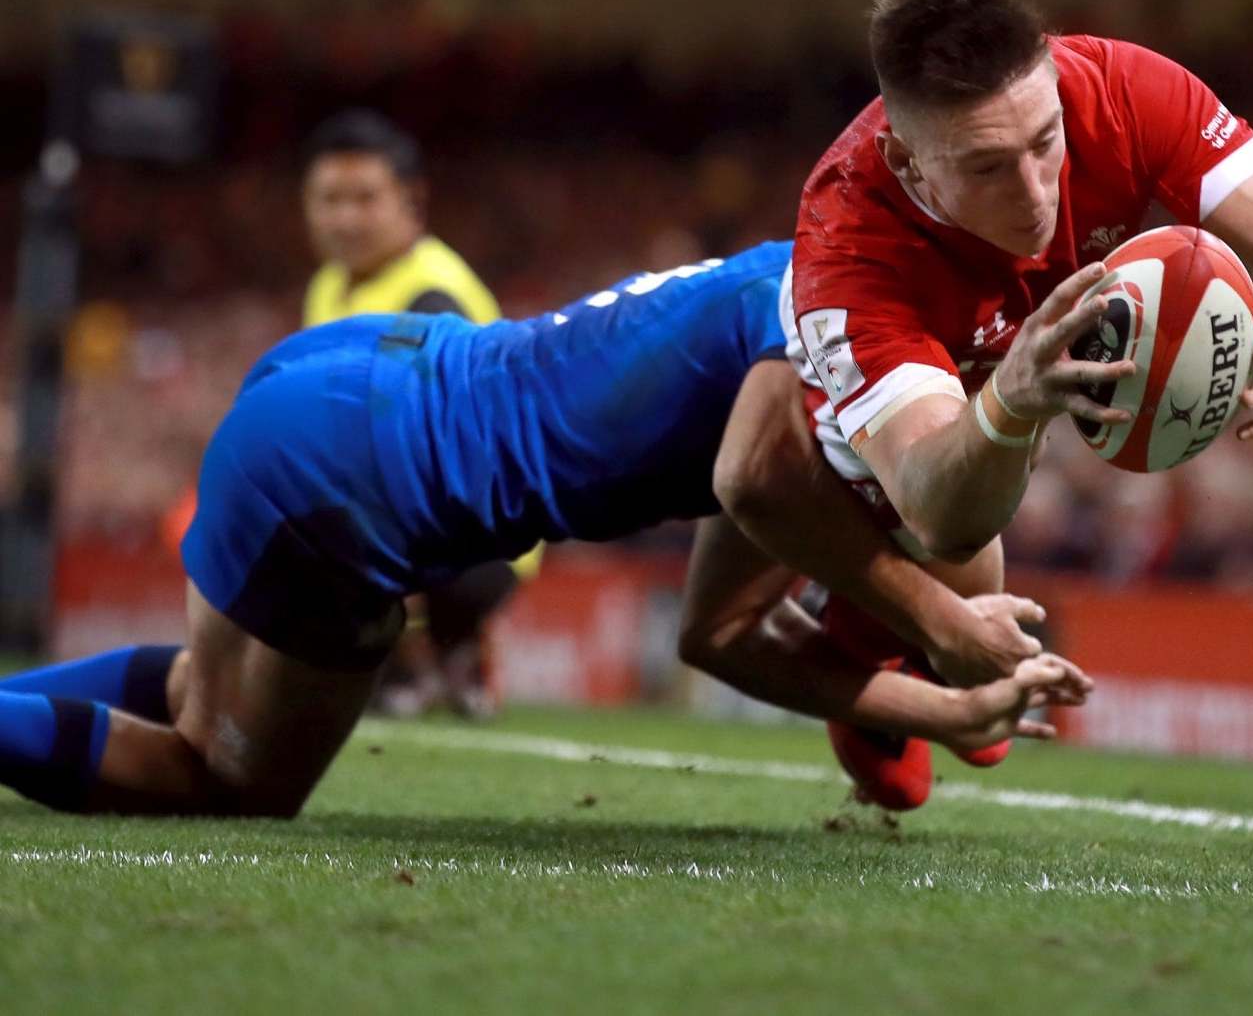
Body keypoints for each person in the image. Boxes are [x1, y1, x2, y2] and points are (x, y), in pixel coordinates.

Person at [0, 243, 1084, 817]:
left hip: (368, 369)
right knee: (232, 778)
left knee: (210, 690)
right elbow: (757, 588)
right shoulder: (808, 424)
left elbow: (721, 628)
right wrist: (938, 636)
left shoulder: (824, 293)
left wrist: (938, 698)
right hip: (359, 467)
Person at [711, 0, 1253, 807]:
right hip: (881, 408)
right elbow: (935, 504)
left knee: (960, 599)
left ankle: (904, 649)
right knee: (922, 563)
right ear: (908, 162)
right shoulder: (851, 243)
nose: (1035, 193)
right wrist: (1011, 400)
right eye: (988, 167)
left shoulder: (1123, 92)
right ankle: (879, 643)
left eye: (1044, 141)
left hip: (1003, 361)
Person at [297, 109, 521, 719]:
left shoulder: (432, 296)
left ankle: (417, 656)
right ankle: (432, 656)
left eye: (365, 198)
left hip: (487, 529)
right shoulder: (328, 287)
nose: (345, 217)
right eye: (329, 199)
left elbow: (431, 442)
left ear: (410, 200)